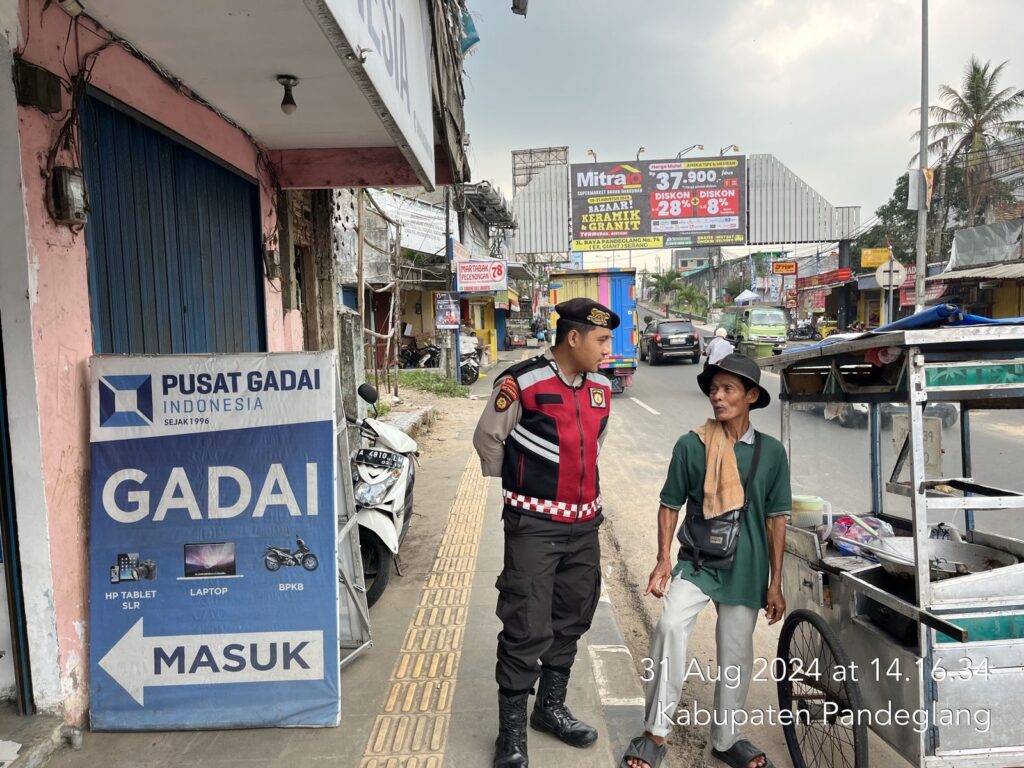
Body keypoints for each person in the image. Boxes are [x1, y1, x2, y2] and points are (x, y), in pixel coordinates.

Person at [620, 353, 791, 768]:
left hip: (747, 565)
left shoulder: (771, 453)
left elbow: (776, 519)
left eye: (728, 389)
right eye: (714, 389)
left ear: (751, 396)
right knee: (669, 626)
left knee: (737, 653)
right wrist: (663, 560)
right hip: (697, 560)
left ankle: (726, 738)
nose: (717, 396)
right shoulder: (691, 445)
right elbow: (669, 504)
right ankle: (654, 734)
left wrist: (775, 582)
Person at [473, 297, 617, 768]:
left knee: (572, 616)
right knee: (525, 624)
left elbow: (594, 443)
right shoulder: (523, 382)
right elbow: (488, 437)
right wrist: (517, 484)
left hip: (584, 526)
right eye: (601, 340)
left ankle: (549, 709)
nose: (607, 349)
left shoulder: (600, 387)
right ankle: (511, 735)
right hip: (534, 526)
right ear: (573, 338)